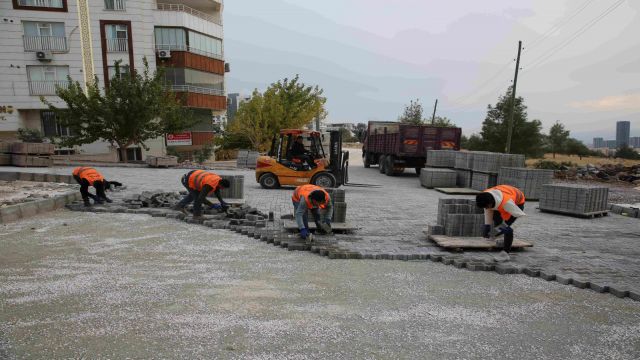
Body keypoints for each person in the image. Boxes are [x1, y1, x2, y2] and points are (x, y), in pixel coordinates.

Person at [475, 184, 526, 252]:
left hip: (518, 201)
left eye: (486, 206)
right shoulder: (485, 195)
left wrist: (510, 227)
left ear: (490, 203)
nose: (486, 208)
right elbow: (488, 210)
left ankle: (506, 251)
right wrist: (487, 225)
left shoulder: (507, 203)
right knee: (497, 220)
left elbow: (522, 218)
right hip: (503, 193)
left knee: (507, 226)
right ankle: (499, 238)